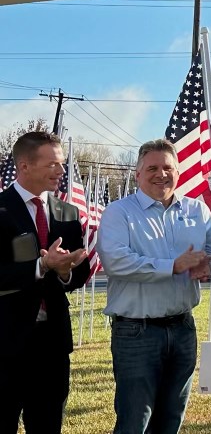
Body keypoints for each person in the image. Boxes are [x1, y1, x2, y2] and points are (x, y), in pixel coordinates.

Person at [97, 138, 211, 434]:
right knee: (134, 420)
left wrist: (208, 266)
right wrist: (173, 265)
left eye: (167, 168)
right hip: (136, 331)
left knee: (171, 418)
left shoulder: (197, 210)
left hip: (183, 328)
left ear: (178, 171)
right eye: (152, 168)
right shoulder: (119, 212)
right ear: (138, 173)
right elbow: (116, 262)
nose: (161, 174)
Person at [0, 131, 89, 434]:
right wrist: (41, 266)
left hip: (52, 345)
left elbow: (79, 272)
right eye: (52, 164)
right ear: (24, 166)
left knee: (48, 425)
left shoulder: (67, 213)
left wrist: (65, 271)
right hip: (6, 342)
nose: (61, 171)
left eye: (62, 163)